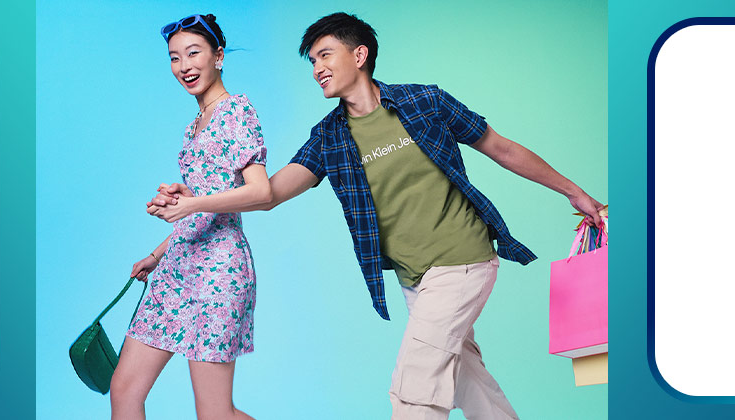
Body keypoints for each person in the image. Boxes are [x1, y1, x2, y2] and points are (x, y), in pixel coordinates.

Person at [148, 12, 604, 419]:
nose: (317, 69)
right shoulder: (329, 136)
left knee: (415, 388)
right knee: (469, 381)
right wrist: (196, 199)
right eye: (312, 61)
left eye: (325, 55)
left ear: (359, 55)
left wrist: (574, 193)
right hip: (414, 279)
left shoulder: (425, 102)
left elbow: (500, 148)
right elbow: (268, 195)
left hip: (463, 259)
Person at [116, 13, 265, 420]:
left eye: (194, 53)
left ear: (219, 56)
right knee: (125, 390)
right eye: (175, 57)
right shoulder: (193, 126)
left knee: (214, 413)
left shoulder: (237, 111)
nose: (184, 66)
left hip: (220, 272)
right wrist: (157, 253)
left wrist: (192, 204)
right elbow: (201, 205)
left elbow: (260, 191)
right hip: (178, 267)